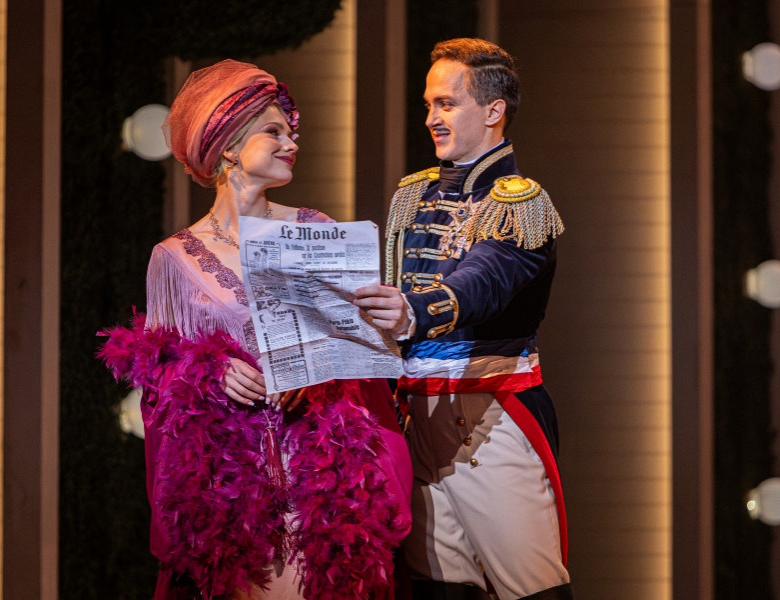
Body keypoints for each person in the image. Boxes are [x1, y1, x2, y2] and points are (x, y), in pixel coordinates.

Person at [98, 60, 412, 600]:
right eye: (274, 132)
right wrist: (210, 371)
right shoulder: (174, 258)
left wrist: (359, 339)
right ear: (227, 147)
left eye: (291, 132)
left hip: (320, 472)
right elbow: (158, 376)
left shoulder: (316, 231)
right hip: (229, 483)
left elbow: (361, 350)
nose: (291, 142)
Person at [353, 39, 573, 600]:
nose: (431, 117)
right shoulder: (413, 195)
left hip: (487, 414)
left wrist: (414, 310)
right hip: (416, 415)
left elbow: (486, 279)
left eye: (447, 104)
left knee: (532, 590)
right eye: (429, 104)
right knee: (439, 590)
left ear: (493, 111)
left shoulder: (521, 203)